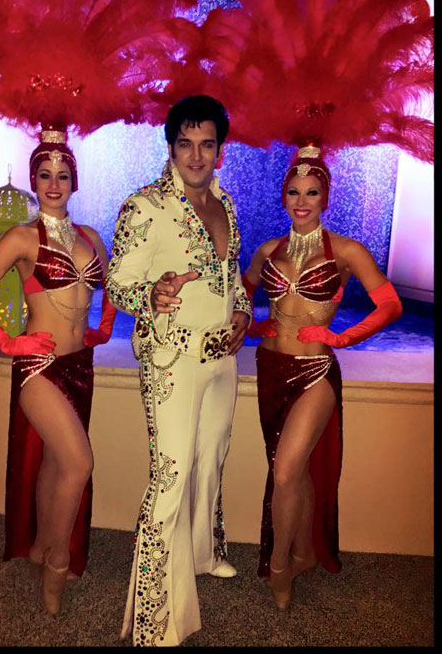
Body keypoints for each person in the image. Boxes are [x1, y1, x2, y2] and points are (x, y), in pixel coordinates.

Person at [106, 95, 252, 647]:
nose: (196, 155)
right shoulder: (144, 206)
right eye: (185, 144)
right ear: (170, 147)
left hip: (222, 358)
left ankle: (202, 555)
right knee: (170, 478)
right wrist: (152, 294)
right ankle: (153, 621)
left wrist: (242, 311)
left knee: (210, 458)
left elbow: (230, 275)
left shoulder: (226, 202)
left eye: (206, 144)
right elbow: (116, 284)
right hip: (173, 359)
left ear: (219, 150)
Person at [0, 127, 116, 616]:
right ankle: (56, 563)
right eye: (45, 175)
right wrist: (9, 342)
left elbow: (110, 289)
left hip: (79, 365)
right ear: (33, 180)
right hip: (40, 367)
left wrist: (103, 330)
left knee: (55, 463)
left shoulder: (91, 237)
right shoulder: (22, 237)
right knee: (79, 463)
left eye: (63, 176)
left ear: (74, 181)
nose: (54, 184)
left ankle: (43, 545)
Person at [242, 144, 403, 611]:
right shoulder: (269, 250)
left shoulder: (348, 251)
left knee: (285, 469)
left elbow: (390, 304)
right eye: (293, 191)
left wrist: (342, 338)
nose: (301, 201)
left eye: (311, 192)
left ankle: (279, 565)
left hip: (315, 372)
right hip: (271, 368)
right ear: (283, 195)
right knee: (297, 470)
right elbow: (241, 293)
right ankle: (304, 552)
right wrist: (252, 326)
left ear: (325, 197)